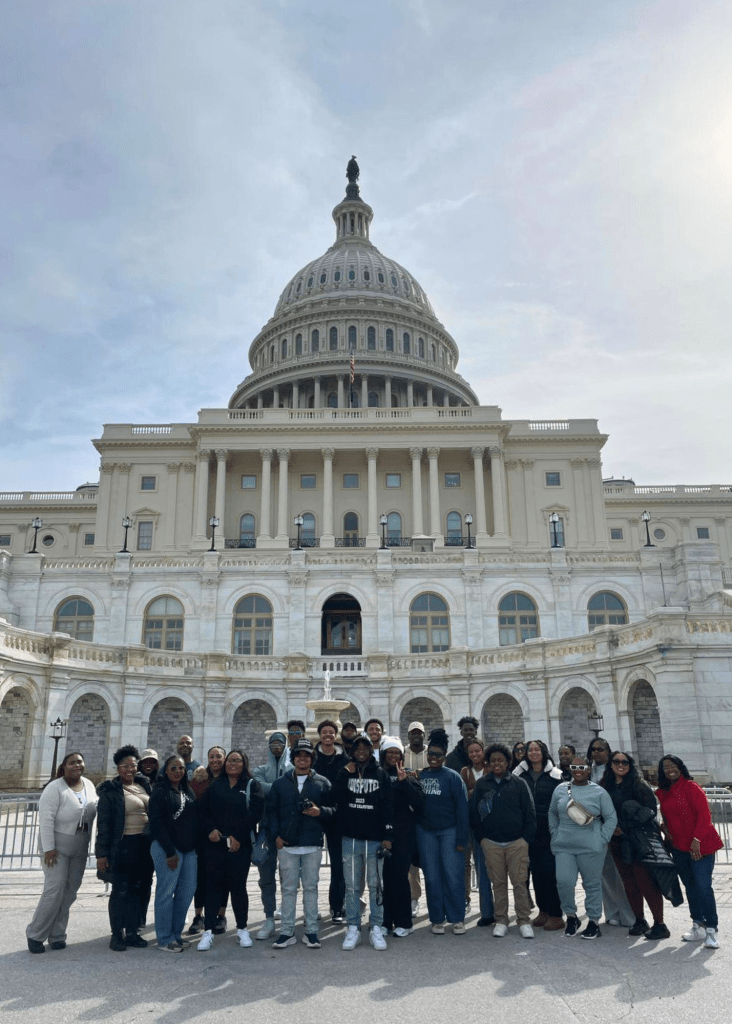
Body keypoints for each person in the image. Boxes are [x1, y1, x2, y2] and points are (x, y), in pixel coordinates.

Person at [26, 752, 98, 954]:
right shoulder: (54, 788)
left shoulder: (89, 785)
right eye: (72, 762)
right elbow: (46, 820)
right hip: (57, 846)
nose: (77, 765)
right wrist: (48, 848)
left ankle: (57, 934)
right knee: (54, 889)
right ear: (64, 766)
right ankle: (35, 934)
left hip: (80, 843)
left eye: (80, 762)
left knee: (71, 890)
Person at [268, 738, 335, 949]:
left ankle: (312, 931)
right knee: (288, 889)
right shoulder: (280, 784)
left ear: (311, 759)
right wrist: (275, 836)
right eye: (299, 755)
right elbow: (271, 813)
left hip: (312, 844)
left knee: (311, 888)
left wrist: (320, 812)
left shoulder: (322, 782)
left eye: (307, 755)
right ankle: (287, 932)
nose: (303, 759)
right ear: (294, 758)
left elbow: (335, 810)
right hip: (287, 845)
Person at [196, 750, 264, 952]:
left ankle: (242, 929)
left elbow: (254, 814)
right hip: (215, 845)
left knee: (238, 888)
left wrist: (237, 836)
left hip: (239, 846)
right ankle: (207, 931)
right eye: (230, 761)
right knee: (213, 888)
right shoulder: (215, 785)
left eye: (237, 760)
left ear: (244, 763)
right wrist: (210, 830)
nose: (232, 764)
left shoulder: (252, 786)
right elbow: (203, 811)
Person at [600, 750, 672, 940]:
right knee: (629, 883)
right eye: (616, 761)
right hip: (616, 842)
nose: (620, 764)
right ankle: (639, 920)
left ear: (631, 765)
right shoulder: (604, 786)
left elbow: (649, 812)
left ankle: (660, 923)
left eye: (625, 762)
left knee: (645, 881)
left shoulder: (640, 786)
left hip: (637, 842)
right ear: (611, 764)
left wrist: (624, 828)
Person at [656, 754, 723, 948]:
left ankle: (712, 928)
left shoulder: (692, 788)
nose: (670, 769)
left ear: (680, 767)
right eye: (666, 766)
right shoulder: (662, 792)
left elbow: (705, 816)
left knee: (703, 887)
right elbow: (668, 817)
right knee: (690, 887)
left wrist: (696, 842)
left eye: (673, 765)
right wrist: (665, 828)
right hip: (679, 848)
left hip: (701, 845)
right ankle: (698, 924)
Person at [334, 732, 393, 951]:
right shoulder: (346, 773)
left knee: (376, 885)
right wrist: (343, 774)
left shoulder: (380, 774)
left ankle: (376, 927)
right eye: (357, 749)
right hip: (350, 838)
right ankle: (353, 927)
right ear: (352, 752)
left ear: (371, 751)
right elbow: (335, 797)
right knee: (351, 887)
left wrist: (388, 836)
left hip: (375, 839)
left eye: (365, 748)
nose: (361, 752)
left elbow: (388, 806)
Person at [471, 743, 536, 939]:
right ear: (488, 763)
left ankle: (524, 920)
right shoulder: (482, 784)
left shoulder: (518, 783)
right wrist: (482, 839)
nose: (497, 764)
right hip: (492, 843)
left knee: (519, 882)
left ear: (507, 762)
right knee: (498, 883)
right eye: (493, 761)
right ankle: (501, 920)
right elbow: (474, 814)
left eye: (500, 760)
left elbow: (530, 813)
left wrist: (525, 840)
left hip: (516, 843)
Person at [548, 755, 617, 939]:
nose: (578, 770)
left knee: (592, 884)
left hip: (591, 846)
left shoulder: (599, 792)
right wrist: (554, 833)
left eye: (582, 766)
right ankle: (571, 917)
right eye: (574, 766)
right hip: (564, 845)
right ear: (569, 768)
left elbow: (611, 818)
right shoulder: (560, 789)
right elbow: (552, 812)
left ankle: (594, 921)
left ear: (588, 768)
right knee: (564, 882)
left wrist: (601, 839)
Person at [95, 745, 154, 951]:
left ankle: (132, 931)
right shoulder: (110, 792)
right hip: (123, 846)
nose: (130, 769)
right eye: (125, 766)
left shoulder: (144, 786)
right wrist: (101, 854)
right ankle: (116, 934)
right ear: (118, 768)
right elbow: (103, 825)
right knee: (120, 891)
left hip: (143, 845)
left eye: (133, 765)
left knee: (138, 890)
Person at [414, 728, 469, 936]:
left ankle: (457, 918)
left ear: (444, 756)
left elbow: (462, 809)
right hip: (426, 832)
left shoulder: (453, 777)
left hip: (449, 832)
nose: (433, 758)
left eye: (438, 755)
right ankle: (437, 918)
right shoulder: (421, 776)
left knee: (453, 875)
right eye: (431, 755)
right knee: (432, 877)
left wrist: (462, 838)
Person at [513, 740, 564, 931]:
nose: (533, 753)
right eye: (530, 750)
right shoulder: (519, 775)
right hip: (528, 832)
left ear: (543, 752)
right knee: (536, 874)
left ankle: (556, 914)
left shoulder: (556, 776)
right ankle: (543, 911)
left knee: (550, 873)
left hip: (549, 831)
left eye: (537, 750)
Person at [149, 754, 198, 952]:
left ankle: (176, 934)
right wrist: (170, 851)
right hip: (167, 848)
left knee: (186, 893)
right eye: (173, 768)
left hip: (188, 849)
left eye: (181, 768)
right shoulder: (160, 792)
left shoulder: (188, 791)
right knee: (166, 893)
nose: (178, 771)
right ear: (166, 771)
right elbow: (157, 823)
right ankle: (164, 938)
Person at [587, 737, 634, 927]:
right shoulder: (588, 772)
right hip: (594, 829)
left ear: (608, 752)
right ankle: (612, 911)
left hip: (614, 830)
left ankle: (628, 914)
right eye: (593, 749)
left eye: (601, 749)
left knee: (621, 874)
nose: (597, 752)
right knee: (604, 874)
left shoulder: (615, 771)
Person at [381, 737, 424, 937]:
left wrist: (403, 781)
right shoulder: (378, 775)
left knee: (400, 879)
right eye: (389, 752)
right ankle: (386, 921)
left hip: (404, 835)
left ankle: (404, 922)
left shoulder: (408, 776)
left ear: (401, 756)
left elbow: (418, 801)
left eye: (396, 752)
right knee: (385, 880)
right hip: (382, 834)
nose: (393, 756)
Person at [251, 731, 292, 939]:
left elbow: (291, 792)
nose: (276, 746)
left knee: (288, 877)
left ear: (285, 747)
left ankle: (286, 915)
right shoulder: (260, 770)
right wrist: (282, 787)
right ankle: (268, 918)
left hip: (287, 832)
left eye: (280, 743)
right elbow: (258, 788)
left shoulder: (293, 768)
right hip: (266, 829)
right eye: (273, 743)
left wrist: (273, 790)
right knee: (266, 876)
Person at [313, 720, 349, 924]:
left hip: (337, 816)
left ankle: (337, 906)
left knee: (338, 864)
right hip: (314, 815)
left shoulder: (345, 757)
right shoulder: (311, 756)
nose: (328, 735)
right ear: (320, 735)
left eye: (331, 732)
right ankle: (312, 907)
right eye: (324, 731)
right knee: (310, 866)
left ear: (335, 735)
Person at [188, 746, 227, 935]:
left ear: (224, 758)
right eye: (212, 756)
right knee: (201, 876)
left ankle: (221, 915)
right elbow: (193, 804)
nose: (215, 760)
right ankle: (198, 916)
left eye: (218, 756)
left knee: (221, 877)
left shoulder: (230, 776)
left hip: (224, 834)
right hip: (203, 834)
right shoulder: (199, 778)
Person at [460, 738, 494, 927]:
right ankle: (470, 903)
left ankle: (489, 911)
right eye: (471, 752)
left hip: (488, 826)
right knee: (467, 865)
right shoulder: (465, 772)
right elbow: (462, 795)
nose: (474, 755)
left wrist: (473, 792)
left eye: (477, 751)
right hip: (469, 823)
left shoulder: (491, 768)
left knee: (484, 869)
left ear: (483, 751)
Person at [403, 721, 429, 914]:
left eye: (419, 733)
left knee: (429, 857)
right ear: (408, 736)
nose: (416, 736)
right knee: (412, 861)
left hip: (429, 811)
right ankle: (413, 897)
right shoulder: (402, 753)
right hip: (408, 812)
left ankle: (436, 897)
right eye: (413, 733)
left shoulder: (432, 753)